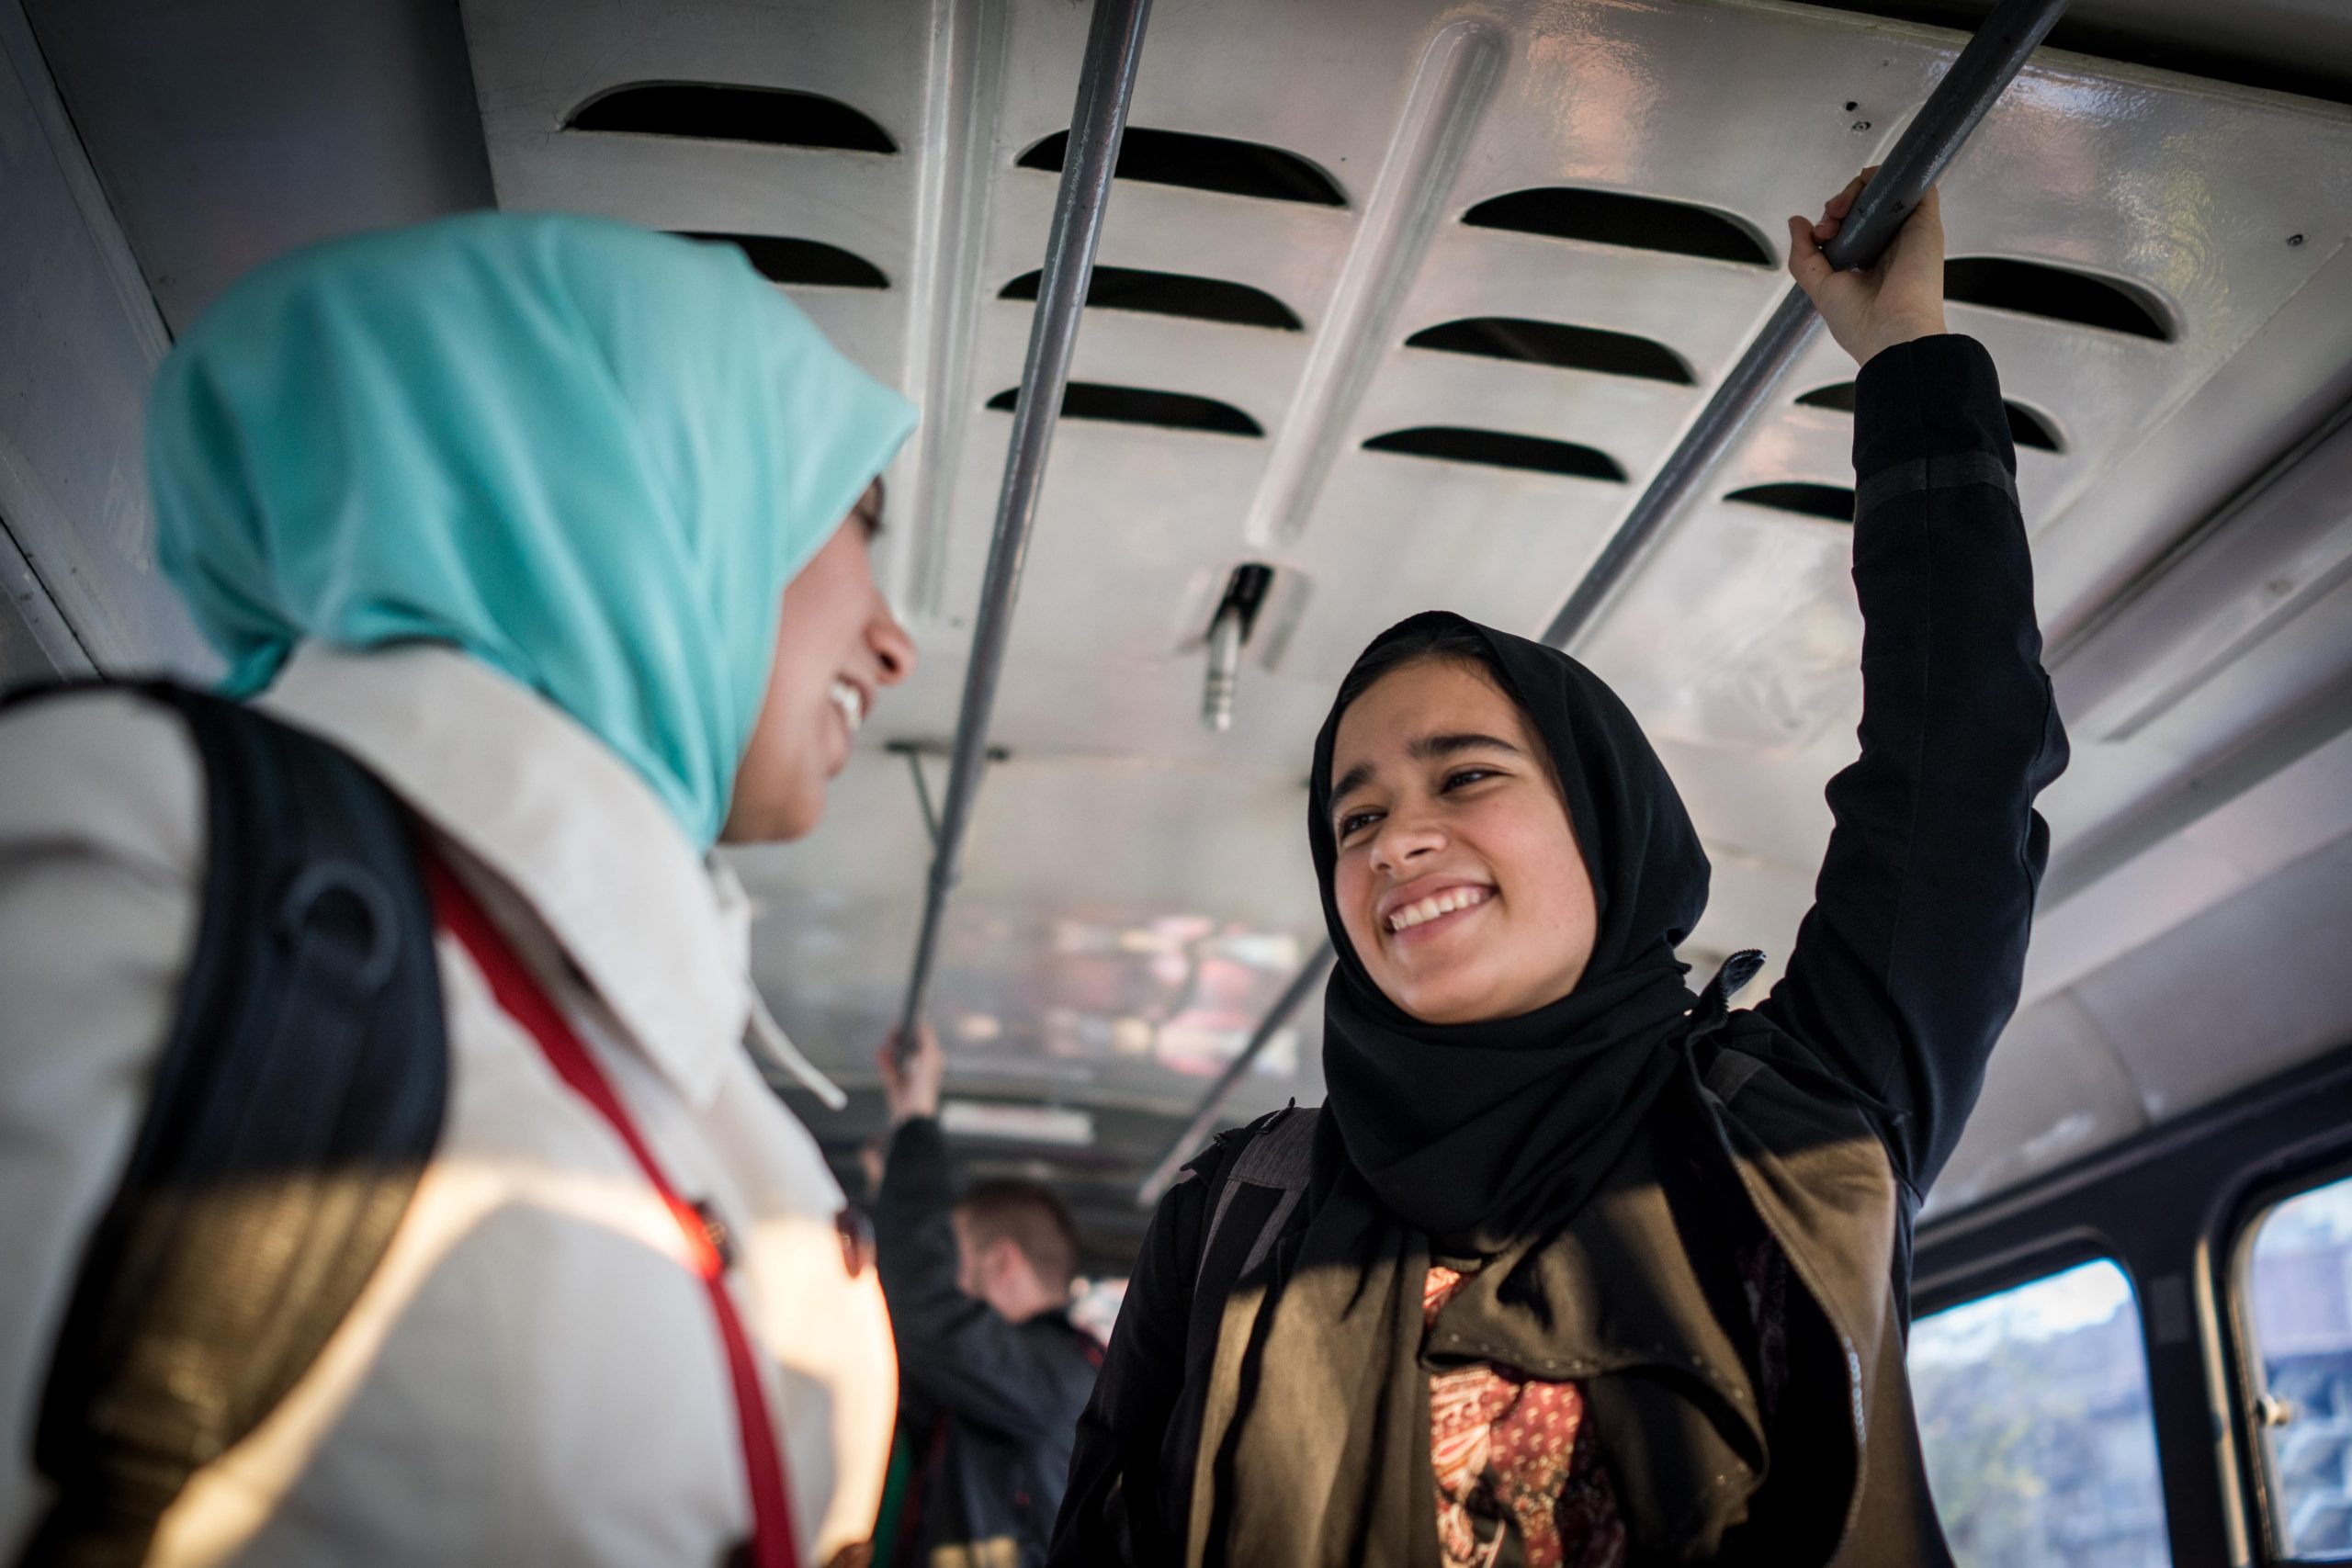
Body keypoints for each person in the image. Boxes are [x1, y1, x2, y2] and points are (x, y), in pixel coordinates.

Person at [1049, 170, 2069, 1568]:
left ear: (1606, 827)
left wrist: (1908, 358)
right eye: (1352, 818)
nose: (1396, 837)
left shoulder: (1808, 1117)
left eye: (1466, 776)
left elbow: (1960, 768)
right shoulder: (1234, 1208)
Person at [0, 214, 921, 1565]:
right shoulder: (154, 854)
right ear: (642, 493)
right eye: (854, 524)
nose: (894, 642)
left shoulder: (667, 1040)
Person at [868, 1026, 1102, 1567]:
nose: (947, 1279)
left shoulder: (1060, 1380)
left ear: (1002, 1262)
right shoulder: (1027, 1383)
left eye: (955, 1262)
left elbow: (924, 1309)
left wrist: (916, 1114)